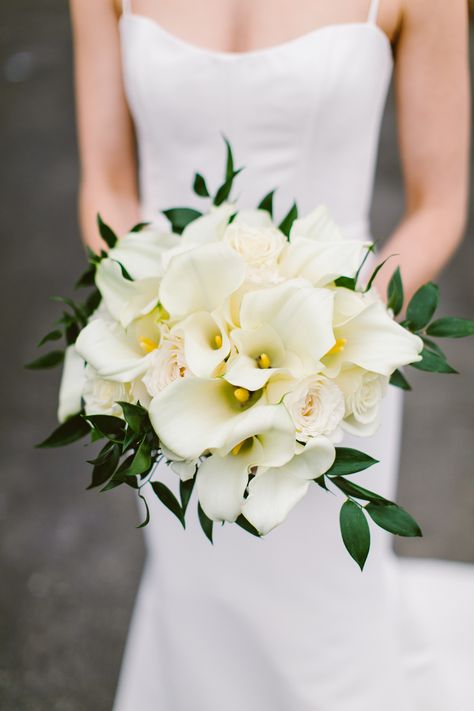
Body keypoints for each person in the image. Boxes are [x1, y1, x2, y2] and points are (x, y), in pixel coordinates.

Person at [69, 0, 473, 708]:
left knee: (325, 628)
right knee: (201, 606)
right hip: (169, 368)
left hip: (333, 373)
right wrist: (157, 320)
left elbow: (438, 202)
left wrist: (344, 332)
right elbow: (106, 185)